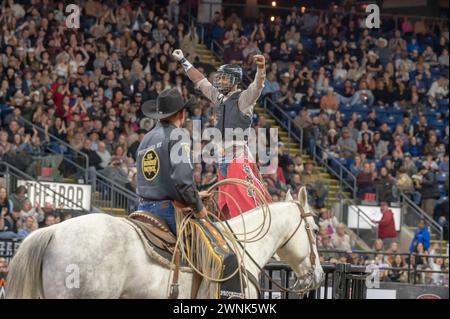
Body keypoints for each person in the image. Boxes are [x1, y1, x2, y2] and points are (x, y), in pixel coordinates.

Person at [172, 48, 272, 219]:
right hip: (222, 159)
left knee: (246, 205)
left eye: (224, 77)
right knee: (227, 206)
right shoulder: (218, 97)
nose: (219, 81)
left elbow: (257, 87)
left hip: (238, 157)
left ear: (234, 81)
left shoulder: (243, 99)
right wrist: (183, 61)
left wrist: (261, 69)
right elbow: (200, 81)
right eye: (219, 77)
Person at [136, 89, 209, 235]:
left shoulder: (146, 139)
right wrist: (198, 206)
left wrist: (194, 195)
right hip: (166, 211)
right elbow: (182, 179)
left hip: (143, 208)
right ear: (182, 114)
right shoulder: (177, 136)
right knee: (207, 245)